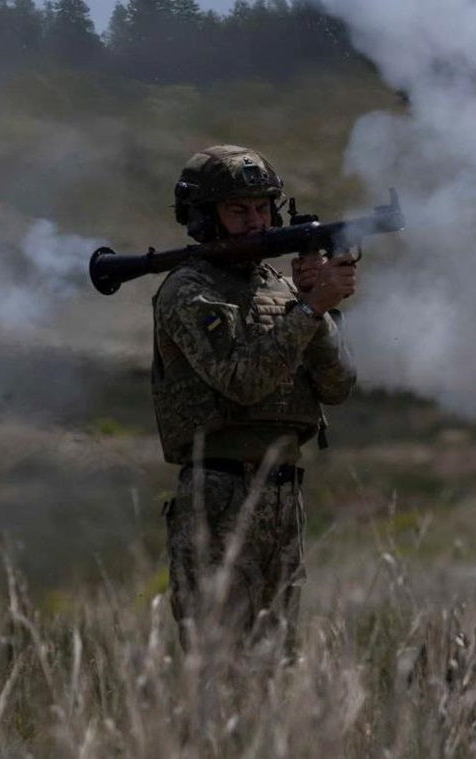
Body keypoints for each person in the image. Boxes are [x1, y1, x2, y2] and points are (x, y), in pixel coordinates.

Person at [152, 144, 358, 653]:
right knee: (217, 660)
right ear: (205, 218)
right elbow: (241, 380)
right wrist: (311, 308)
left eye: (263, 208)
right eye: (238, 210)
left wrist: (316, 308)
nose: (256, 222)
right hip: (220, 495)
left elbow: (337, 386)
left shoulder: (281, 290)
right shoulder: (189, 291)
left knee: (276, 660)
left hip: (283, 495)